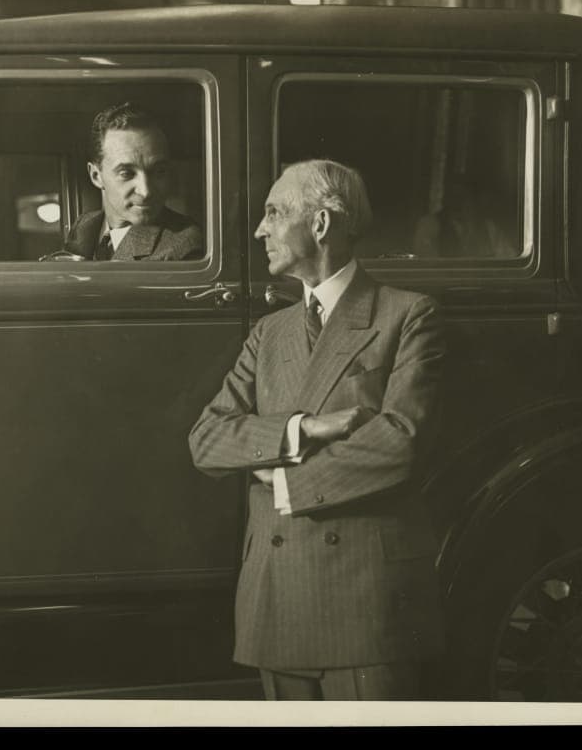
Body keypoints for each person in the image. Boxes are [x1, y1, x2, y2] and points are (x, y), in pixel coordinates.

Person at [188, 159, 446, 701]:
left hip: (365, 601)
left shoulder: (408, 315)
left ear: (321, 223)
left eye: (274, 213)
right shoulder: (269, 332)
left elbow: (400, 440)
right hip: (276, 597)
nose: (259, 230)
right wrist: (302, 429)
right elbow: (206, 439)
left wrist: (285, 483)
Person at [62, 102, 203, 261]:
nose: (145, 191)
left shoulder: (185, 245)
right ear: (96, 176)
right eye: (127, 173)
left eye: (159, 171)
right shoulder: (84, 225)